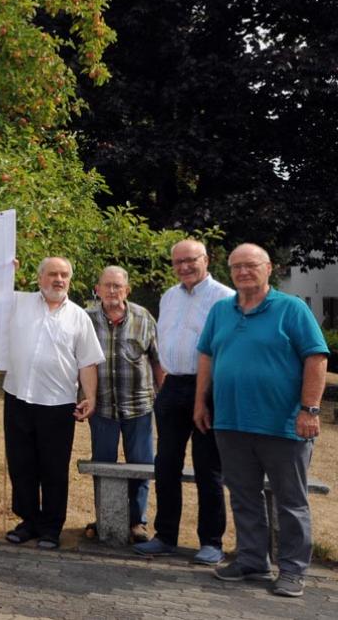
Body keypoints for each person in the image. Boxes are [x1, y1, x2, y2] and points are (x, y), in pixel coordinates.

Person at [195, 243, 328, 597]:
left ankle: (292, 570)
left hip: (283, 425)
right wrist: (200, 403)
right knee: (243, 496)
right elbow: (207, 357)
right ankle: (252, 560)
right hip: (231, 423)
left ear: (269, 268)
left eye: (250, 266)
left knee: (291, 501)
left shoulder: (292, 309)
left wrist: (309, 409)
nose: (242, 272)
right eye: (236, 267)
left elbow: (316, 359)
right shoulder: (221, 310)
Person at [135, 239, 232, 564]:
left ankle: (211, 542)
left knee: (208, 468)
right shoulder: (169, 296)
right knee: (166, 464)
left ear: (206, 259)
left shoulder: (224, 298)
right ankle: (165, 536)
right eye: (178, 262)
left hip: (209, 389)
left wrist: (206, 394)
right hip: (172, 387)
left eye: (191, 260)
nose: (185, 266)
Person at [2, 257, 103, 550]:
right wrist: (5, 265)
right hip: (18, 396)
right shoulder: (18, 303)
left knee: (54, 468)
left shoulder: (79, 317)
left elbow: (87, 362)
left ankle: (50, 528)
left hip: (58, 404)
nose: (58, 280)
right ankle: (28, 522)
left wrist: (90, 396)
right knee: (21, 464)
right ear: (39, 278)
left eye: (64, 275)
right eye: (52, 274)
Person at [86, 266, 162, 543]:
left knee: (140, 465)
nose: (111, 291)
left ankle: (136, 522)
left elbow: (157, 360)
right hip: (102, 408)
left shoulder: (144, 317)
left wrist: (162, 396)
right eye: (106, 285)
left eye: (117, 286)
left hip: (139, 407)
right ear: (98, 289)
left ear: (127, 290)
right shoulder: (86, 320)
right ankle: (106, 518)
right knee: (102, 466)